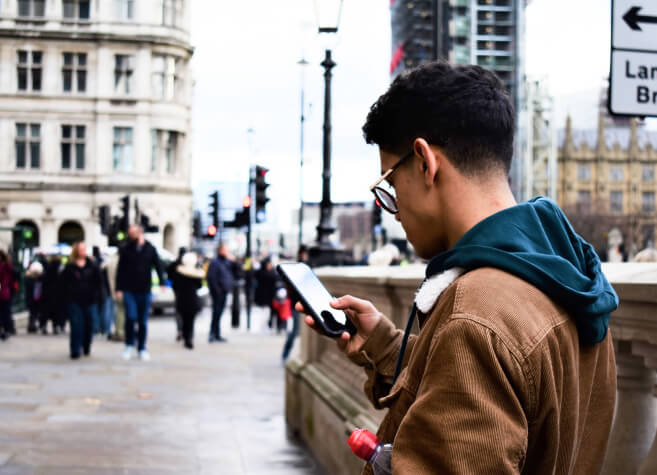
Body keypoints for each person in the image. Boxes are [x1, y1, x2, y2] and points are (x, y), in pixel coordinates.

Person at [299, 62, 618, 474]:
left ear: (425, 161)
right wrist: (384, 345)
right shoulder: (566, 274)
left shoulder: (477, 315)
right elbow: (517, 388)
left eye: (390, 186)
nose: (392, 210)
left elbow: (485, 356)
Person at [116, 225, 164, 361]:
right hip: (129, 289)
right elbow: (121, 269)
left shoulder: (150, 249)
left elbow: (158, 265)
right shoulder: (126, 249)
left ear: (140, 233)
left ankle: (142, 347)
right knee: (130, 317)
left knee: (143, 321)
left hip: (144, 290)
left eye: (133, 233)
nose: (130, 235)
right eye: (129, 233)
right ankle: (129, 345)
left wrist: (162, 282)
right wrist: (119, 288)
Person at [60, 242, 102, 359]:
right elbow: (63, 284)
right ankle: (75, 349)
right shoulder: (70, 267)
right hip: (74, 300)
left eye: (84, 249)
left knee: (90, 325)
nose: (83, 251)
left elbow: (99, 283)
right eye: (81, 249)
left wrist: (98, 298)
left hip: (90, 300)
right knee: (76, 325)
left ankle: (86, 345)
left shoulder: (92, 265)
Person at [174, 252, 205, 349]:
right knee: (190, 321)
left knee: (184, 319)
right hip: (192, 300)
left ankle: (185, 335)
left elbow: (175, 285)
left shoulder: (179, 273)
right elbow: (199, 285)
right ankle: (189, 338)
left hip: (182, 299)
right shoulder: (196, 274)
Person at [206, 244, 235, 342]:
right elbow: (211, 277)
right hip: (218, 292)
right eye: (225, 250)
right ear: (220, 251)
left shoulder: (227, 262)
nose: (227, 252)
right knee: (216, 313)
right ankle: (212, 334)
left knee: (219, 313)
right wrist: (217, 290)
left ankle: (217, 334)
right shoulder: (215, 262)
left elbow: (236, 271)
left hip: (224, 291)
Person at [92, 246, 113, 337]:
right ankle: (105, 329)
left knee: (98, 311)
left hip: (97, 290)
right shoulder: (105, 263)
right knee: (105, 312)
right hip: (105, 290)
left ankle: (97, 329)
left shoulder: (93, 263)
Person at [167, 246, 186, 342]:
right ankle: (184, 330)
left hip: (177, 290)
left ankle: (180, 330)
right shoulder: (186, 264)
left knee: (179, 311)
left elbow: (169, 274)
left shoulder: (174, 264)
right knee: (185, 312)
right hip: (185, 292)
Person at [42, 255, 65, 334]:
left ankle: (44, 326)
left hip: (48, 293)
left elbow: (44, 280)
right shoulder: (60, 268)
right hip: (57, 293)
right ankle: (55, 327)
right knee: (56, 311)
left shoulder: (48, 267)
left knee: (46, 311)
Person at [24, 259, 45, 333]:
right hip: (34, 298)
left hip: (36, 298)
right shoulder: (30, 279)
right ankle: (32, 325)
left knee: (34, 313)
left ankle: (32, 325)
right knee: (33, 313)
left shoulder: (38, 279)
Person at [0, 250, 15, 340]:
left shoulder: (5, 266)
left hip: (4, 293)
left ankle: (6, 330)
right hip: (5, 292)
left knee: (5, 313)